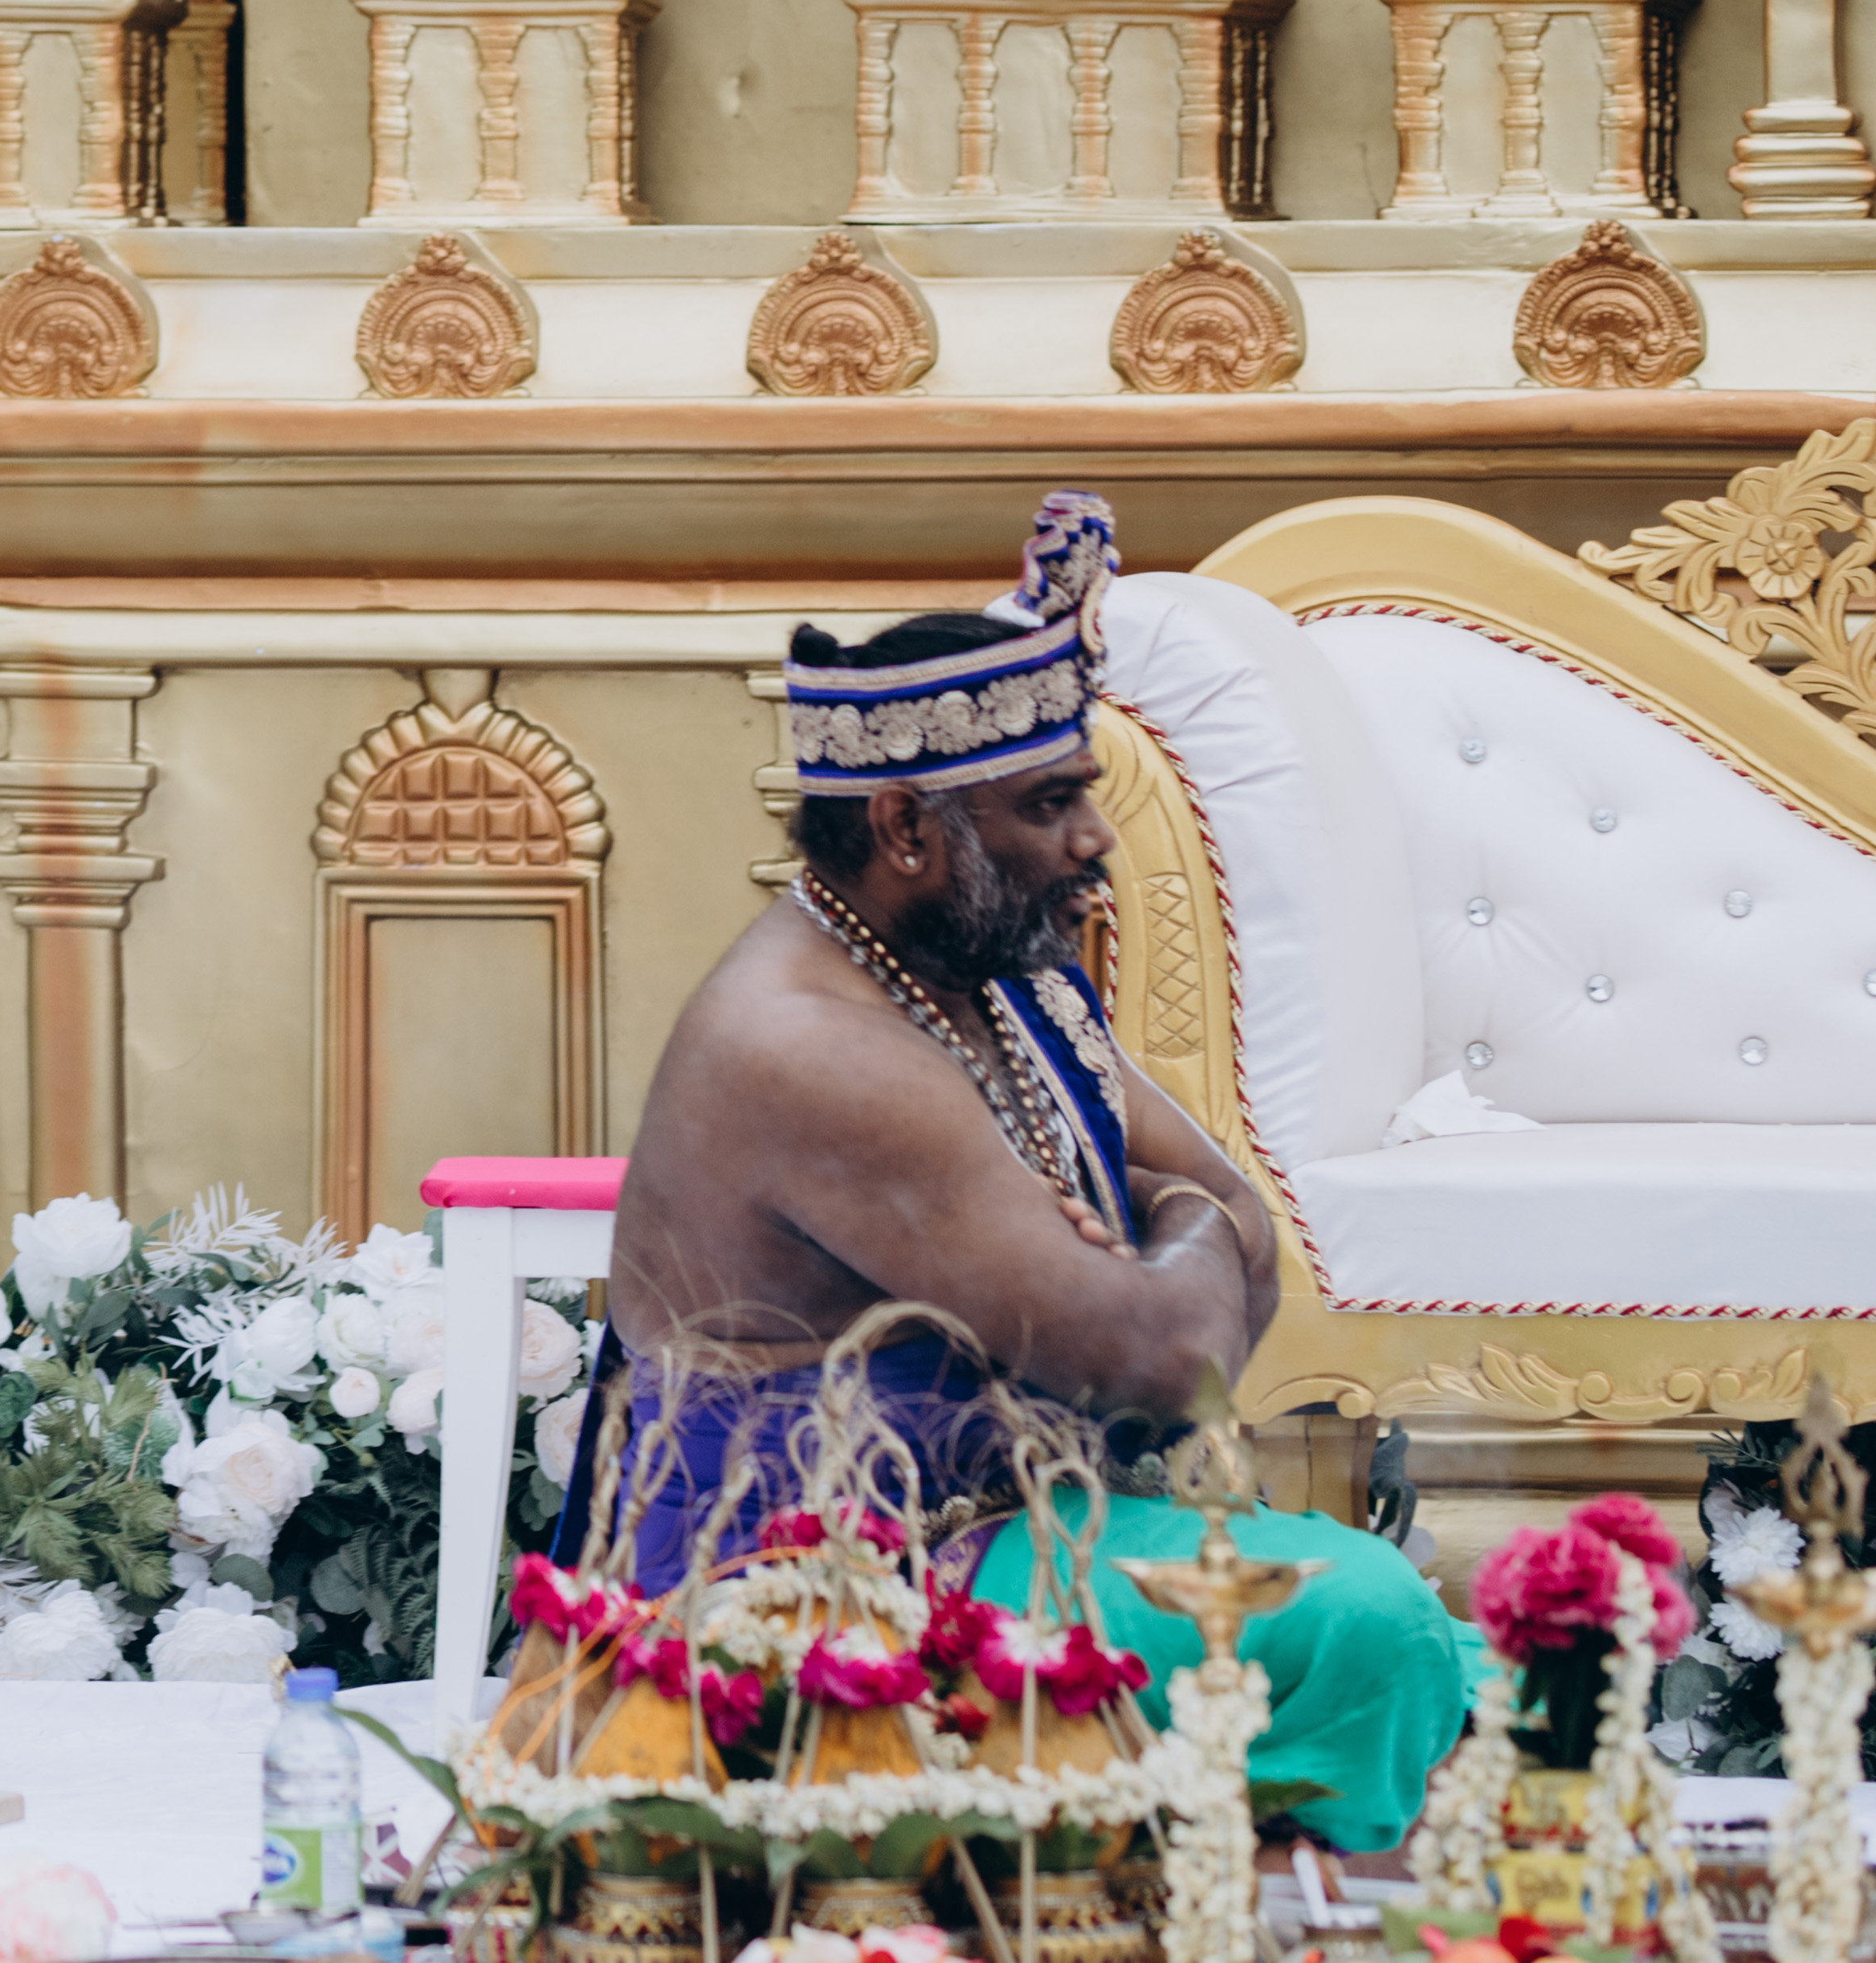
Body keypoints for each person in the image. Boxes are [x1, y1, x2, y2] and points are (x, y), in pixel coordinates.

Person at [578, 492, 1474, 1854]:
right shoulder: (814, 1043)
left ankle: (1193, 1860)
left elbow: (1253, 1246)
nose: (1096, 837)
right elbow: (1177, 1357)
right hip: (814, 1586)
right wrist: (1169, 1229)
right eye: (1051, 803)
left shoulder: (997, 982)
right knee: (1374, 1624)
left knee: (1477, 1661)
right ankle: (1229, 1889)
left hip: (1019, 1517)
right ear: (906, 827)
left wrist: (1157, 1232)